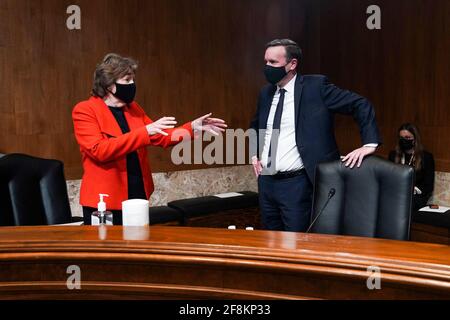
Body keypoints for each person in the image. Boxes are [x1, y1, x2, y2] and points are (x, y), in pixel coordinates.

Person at [73, 53, 227, 225]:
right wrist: (145, 132)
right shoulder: (85, 110)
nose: (132, 85)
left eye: (133, 80)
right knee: (109, 251)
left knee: (137, 247)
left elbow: (163, 137)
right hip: (105, 201)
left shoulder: (134, 108)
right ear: (109, 84)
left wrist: (191, 127)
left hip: (137, 194)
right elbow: (100, 150)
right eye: (127, 80)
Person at [250, 39, 382, 232]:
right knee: (270, 242)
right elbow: (256, 126)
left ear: (292, 64)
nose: (267, 67)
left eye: (273, 62)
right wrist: (255, 155)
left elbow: (360, 104)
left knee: (295, 246)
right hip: (266, 183)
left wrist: (369, 143)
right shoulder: (266, 93)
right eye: (266, 62)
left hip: (298, 184)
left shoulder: (316, 87)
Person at [388, 123, 435, 212]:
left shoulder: (426, 157)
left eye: (407, 137)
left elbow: (428, 186)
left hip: (415, 196)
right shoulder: (393, 155)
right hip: (396, 192)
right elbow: (388, 178)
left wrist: (414, 189)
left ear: (415, 139)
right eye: (401, 138)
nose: (404, 140)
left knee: (404, 204)